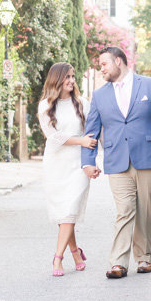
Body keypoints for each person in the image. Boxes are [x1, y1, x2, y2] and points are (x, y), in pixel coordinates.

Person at [82, 46, 151, 279]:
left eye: (104, 64)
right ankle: (118, 263)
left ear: (118, 61)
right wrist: (88, 162)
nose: (101, 68)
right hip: (117, 159)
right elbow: (91, 131)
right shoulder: (100, 95)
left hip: (148, 157)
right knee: (124, 210)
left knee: (145, 209)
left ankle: (144, 257)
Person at [37, 62, 98, 277]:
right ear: (57, 80)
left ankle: (57, 258)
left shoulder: (82, 103)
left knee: (70, 209)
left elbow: (92, 135)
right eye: (67, 77)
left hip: (78, 165)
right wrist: (80, 141)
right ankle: (75, 252)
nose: (71, 80)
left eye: (73, 76)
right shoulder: (45, 105)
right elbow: (53, 137)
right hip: (55, 164)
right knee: (64, 214)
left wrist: (91, 162)